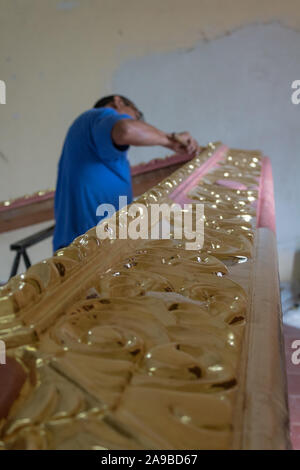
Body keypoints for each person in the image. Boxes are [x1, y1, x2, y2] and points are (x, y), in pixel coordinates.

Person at [53, 95, 199, 251]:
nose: (139, 122)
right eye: (137, 116)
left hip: (82, 244)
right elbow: (126, 130)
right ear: (118, 102)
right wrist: (171, 140)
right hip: (93, 245)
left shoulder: (85, 136)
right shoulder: (100, 115)